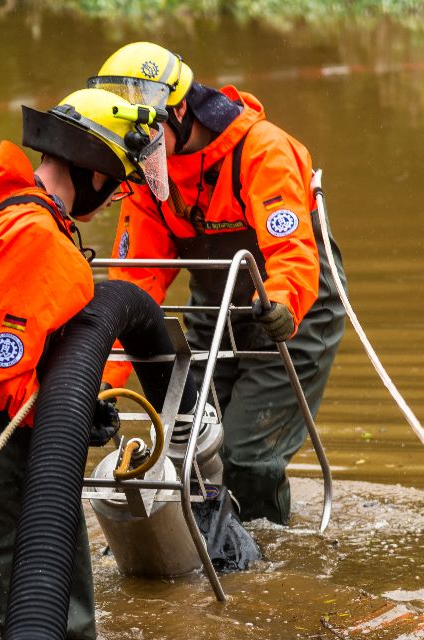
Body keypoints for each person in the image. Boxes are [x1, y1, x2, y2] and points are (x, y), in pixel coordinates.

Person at [0, 88, 167, 640]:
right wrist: (66, 416)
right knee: (60, 632)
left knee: (14, 608)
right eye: (116, 181)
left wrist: (79, 399)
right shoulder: (38, 239)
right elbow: (0, 368)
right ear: (92, 169)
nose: (113, 199)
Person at [87, 42, 347, 525]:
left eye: (143, 137)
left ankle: (262, 567)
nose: (136, 155)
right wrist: (100, 381)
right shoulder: (151, 178)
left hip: (295, 310)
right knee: (191, 448)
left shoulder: (262, 150)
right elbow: (134, 283)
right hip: (214, 310)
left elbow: (293, 254)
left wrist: (285, 303)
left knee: (248, 458)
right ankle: (202, 549)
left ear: (180, 111)